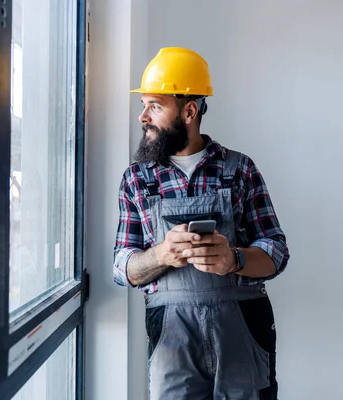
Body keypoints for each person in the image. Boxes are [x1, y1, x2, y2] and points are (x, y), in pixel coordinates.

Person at [113, 47, 290, 400]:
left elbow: (277, 251)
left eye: (155, 106)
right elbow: (123, 268)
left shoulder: (240, 169)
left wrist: (234, 259)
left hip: (241, 328)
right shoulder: (136, 179)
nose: (143, 117)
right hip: (172, 338)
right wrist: (160, 255)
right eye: (143, 105)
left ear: (190, 110)